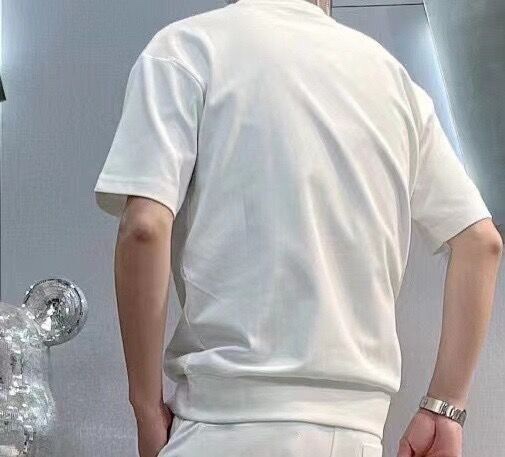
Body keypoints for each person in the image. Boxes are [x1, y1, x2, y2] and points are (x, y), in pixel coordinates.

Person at [93, 0, 503, 456]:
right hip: (356, 434)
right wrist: (445, 408)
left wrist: (146, 409)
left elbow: (145, 227)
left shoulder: (187, 48)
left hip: (222, 426)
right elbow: (480, 242)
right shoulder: (393, 81)